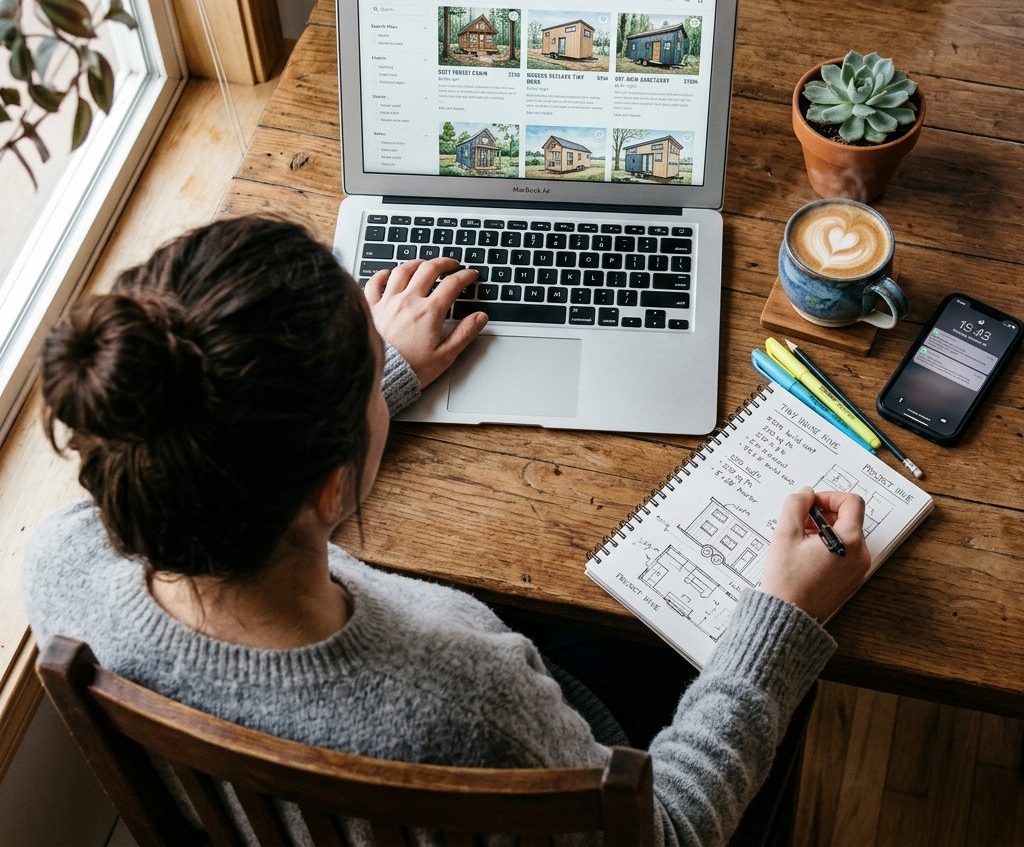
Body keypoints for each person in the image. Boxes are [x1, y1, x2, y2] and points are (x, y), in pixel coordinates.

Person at [23, 217, 870, 846]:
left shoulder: (62, 562)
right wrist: (779, 623)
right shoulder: (463, 702)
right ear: (329, 485)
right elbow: (666, 831)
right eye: (367, 362)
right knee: (686, 642)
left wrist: (377, 378)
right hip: (542, 773)